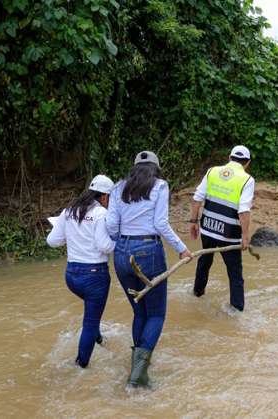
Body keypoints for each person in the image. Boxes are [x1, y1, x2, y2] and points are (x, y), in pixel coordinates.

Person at [106, 151, 192, 388]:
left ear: (134, 168)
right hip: (148, 251)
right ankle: (138, 375)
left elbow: (112, 224)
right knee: (155, 314)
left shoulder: (117, 188)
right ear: (156, 168)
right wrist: (182, 249)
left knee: (139, 313)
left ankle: (139, 365)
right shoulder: (160, 186)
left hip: (122, 252)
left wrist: (122, 242)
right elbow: (160, 223)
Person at [46, 174, 116, 368]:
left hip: (71, 277)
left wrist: (74, 236)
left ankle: (99, 340)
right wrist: (120, 243)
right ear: (104, 197)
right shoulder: (101, 213)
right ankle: (81, 365)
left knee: (91, 314)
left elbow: (52, 241)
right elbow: (104, 246)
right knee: (91, 322)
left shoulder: (69, 210)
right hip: (95, 277)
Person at [189, 145, 255, 311]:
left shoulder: (212, 171)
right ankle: (236, 309)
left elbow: (197, 198)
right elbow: (244, 211)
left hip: (208, 227)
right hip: (229, 233)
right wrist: (246, 236)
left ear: (229, 157)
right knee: (234, 272)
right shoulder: (247, 180)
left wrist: (193, 222)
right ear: (247, 163)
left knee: (205, 260)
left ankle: (197, 293)